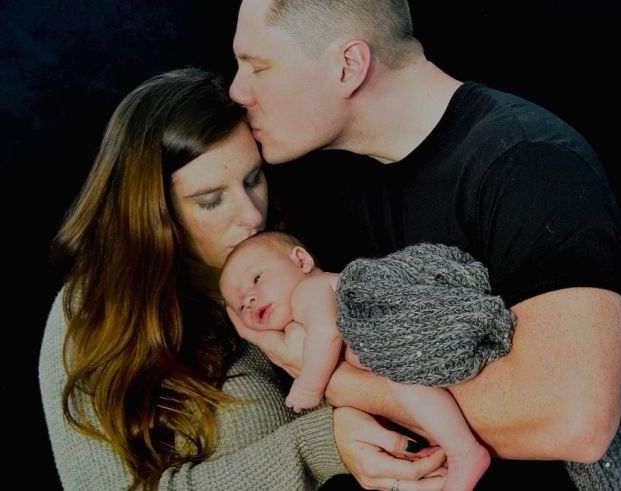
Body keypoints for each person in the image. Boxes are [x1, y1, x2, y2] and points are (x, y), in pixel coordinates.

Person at [228, 1, 621, 489]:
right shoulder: (317, 182)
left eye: (258, 66)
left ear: (348, 66)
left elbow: (573, 423)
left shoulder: (530, 164)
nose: (237, 89)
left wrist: (330, 380)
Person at [38, 67, 449, 490]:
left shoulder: (295, 257)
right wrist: (318, 446)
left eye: (254, 179)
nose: (252, 216)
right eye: (211, 200)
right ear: (152, 213)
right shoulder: (91, 311)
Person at [221, 231, 518, 490]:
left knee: (402, 383)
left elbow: (328, 334)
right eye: (239, 304)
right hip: (420, 344)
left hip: (414, 332)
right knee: (403, 386)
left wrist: (309, 386)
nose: (249, 299)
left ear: (301, 261)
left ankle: (464, 451)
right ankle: (446, 436)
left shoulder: (307, 291)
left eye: (256, 279)